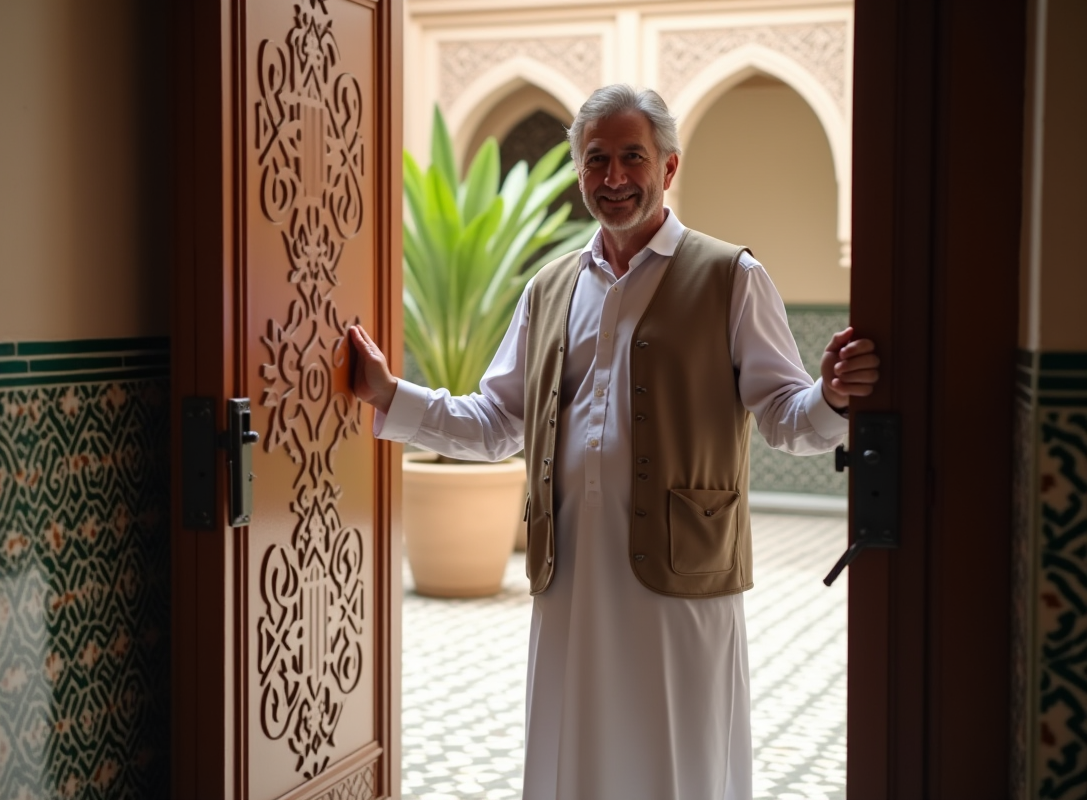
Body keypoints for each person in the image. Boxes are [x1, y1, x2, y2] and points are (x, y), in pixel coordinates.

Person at [349, 84, 879, 800]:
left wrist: (834, 398)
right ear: (579, 172)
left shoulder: (732, 277)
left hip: (683, 579)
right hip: (569, 576)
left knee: (679, 754)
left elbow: (786, 416)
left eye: (634, 157)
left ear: (668, 168)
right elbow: (497, 420)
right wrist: (390, 396)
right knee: (577, 754)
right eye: (596, 160)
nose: (614, 178)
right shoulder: (550, 288)